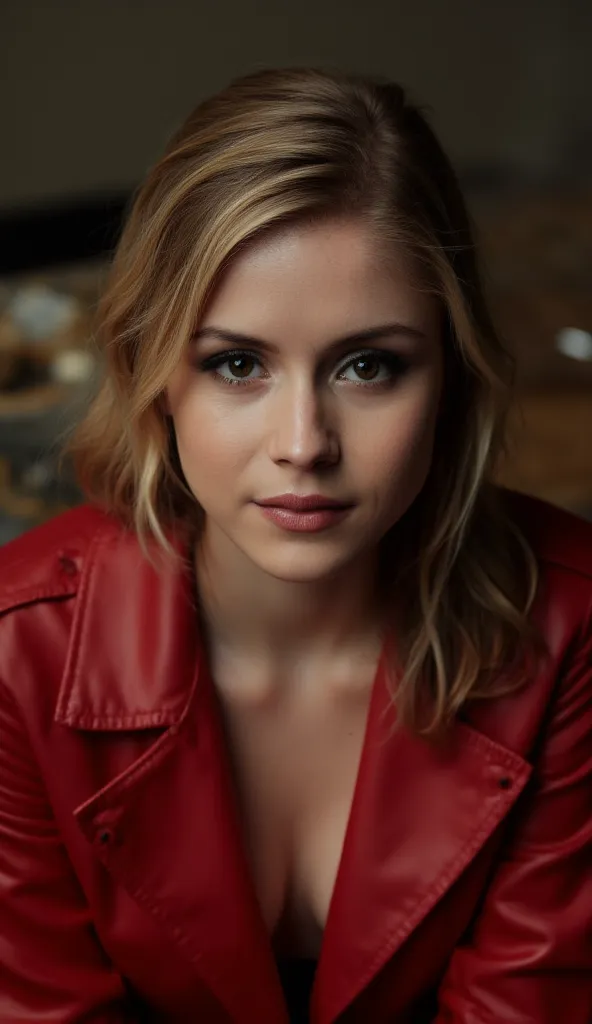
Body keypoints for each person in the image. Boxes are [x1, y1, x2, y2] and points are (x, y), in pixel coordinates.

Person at [0, 67, 590, 1024]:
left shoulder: (572, 625)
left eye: (369, 366)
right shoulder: (18, 653)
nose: (304, 443)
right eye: (238, 364)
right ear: (156, 376)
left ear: (451, 376)